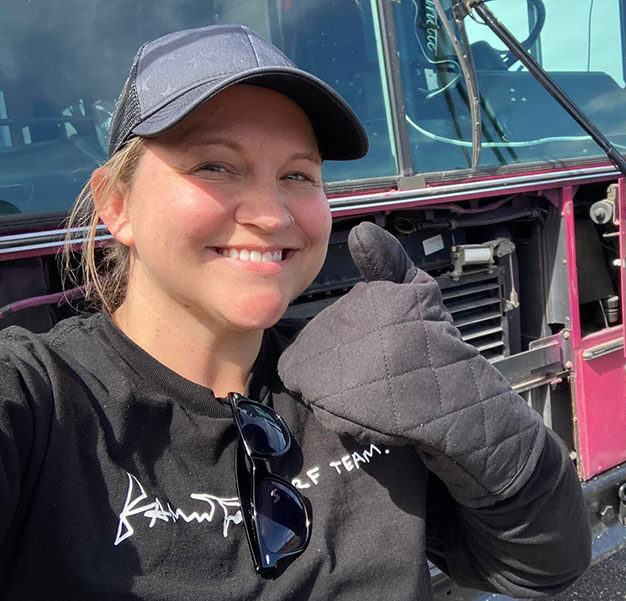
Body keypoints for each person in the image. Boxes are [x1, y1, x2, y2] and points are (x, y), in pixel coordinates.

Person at [0, 24, 590, 600]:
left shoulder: (357, 385)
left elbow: (541, 567)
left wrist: (479, 414)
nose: (273, 214)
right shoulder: (38, 401)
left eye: (298, 175)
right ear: (117, 204)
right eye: (215, 165)